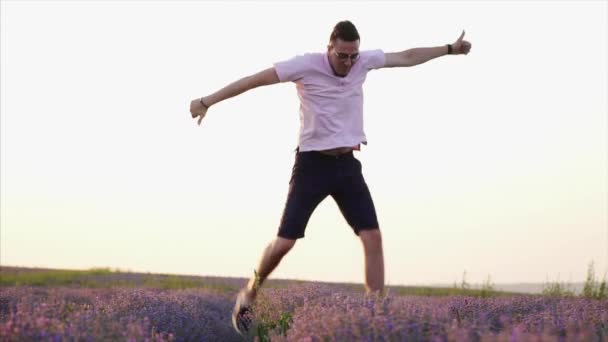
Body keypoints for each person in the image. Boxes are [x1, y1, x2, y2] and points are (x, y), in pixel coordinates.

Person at [189, 20, 471, 336]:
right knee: (284, 243)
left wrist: (449, 49)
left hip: (347, 166)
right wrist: (207, 101)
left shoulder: (363, 61)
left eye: (353, 56)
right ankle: (250, 292)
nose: (349, 63)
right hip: (312, 166)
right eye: (342, 56)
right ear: (329, 48)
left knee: (372, 237)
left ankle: (375, 318)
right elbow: (254, 80)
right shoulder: (305, 66)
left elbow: (406, 57)